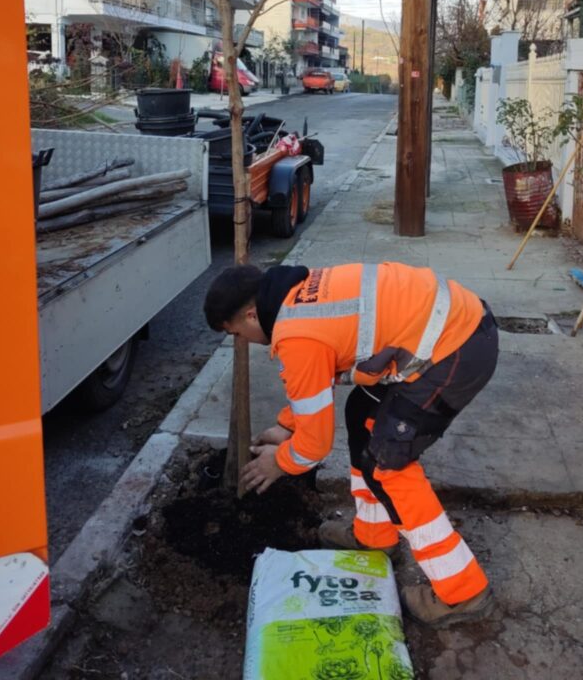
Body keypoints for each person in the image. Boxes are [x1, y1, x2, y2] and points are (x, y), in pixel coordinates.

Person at [204, 260, 499, 627]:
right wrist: (286, 426)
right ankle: (374, 535)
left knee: (388, 466)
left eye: (235, 333)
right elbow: (319, 372)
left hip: (457, 349)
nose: (240, 342)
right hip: (454, 327)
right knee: (362, 413)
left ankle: (463, 592)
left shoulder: (296, 336)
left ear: (250, 314)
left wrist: (278, 462)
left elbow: (314, 447)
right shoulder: (295, 294)